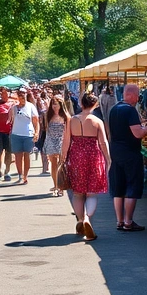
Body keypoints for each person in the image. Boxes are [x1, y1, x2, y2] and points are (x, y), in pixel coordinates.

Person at [107, 83, 147, 232]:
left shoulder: (115, 109)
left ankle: (119, 221)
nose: (138, 99)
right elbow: (138, 133)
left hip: (116, 151)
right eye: (137, 96)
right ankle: (128, 221)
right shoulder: (130, 110)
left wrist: (143, 124)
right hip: (130, 152)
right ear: (130, 95)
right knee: (132, 186)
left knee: (118, 187)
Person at [61, 93, 111, 241]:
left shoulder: (72, 120)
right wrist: (108, 159)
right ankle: (88, 218)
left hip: (76, 156)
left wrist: (63, 158)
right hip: (93, 156)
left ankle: (80, 219)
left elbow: (66, 141)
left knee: (77, 193)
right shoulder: (97, 121)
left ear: (81, 104)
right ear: (95, 105)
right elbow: (103, 142)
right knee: (91, 193)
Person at [8, 86, 40, 185]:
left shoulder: (31, 106)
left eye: (24, 95)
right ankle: (20, 175)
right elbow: (9, 120)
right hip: (16, 134)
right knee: (18, 156)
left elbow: (36, 121)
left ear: (26, 95)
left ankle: (25, 175)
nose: (22, 98)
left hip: (28, 134)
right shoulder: (14, 108)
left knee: (27, 155)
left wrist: (37, 132)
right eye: (20, 96)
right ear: (18, 97)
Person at [43, 96, 70, 195]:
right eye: (53, 104)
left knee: (61, 164)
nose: (54, 106)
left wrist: (66, 146)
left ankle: (61, 186)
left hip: (61, 140)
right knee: (53, 163)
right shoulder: (48, 115)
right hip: (50, 140)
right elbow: (46, 129)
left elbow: (67, 133)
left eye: (56, 104)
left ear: (61, 105)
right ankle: (55, 185)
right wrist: (46, 143)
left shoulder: (66, 117)